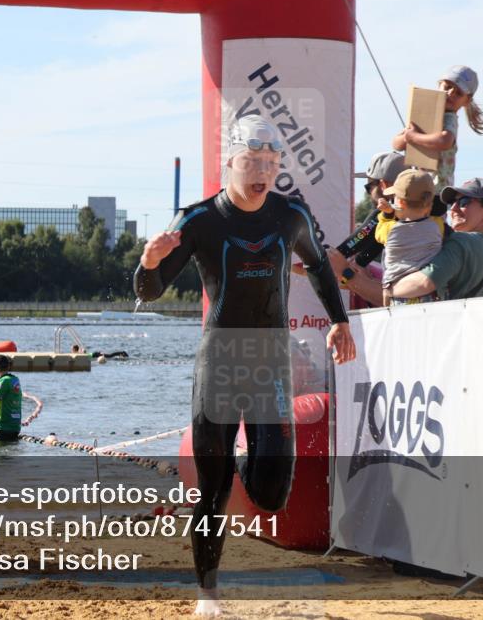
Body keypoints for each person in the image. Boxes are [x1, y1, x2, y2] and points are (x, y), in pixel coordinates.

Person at [133, 115, 355, 616]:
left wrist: (338, 322)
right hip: (220, 363)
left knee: (272, 494)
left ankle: (232, 463)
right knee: (212, 495)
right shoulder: (199, 220)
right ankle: (207, 594)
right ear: (230, 161)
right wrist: (147, 263)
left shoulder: (289, 214)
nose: (262, 171)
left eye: (271, 163)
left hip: (270, 362)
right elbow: (148, 292)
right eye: (252, 161)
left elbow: (318, 265)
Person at [342, 178, 483, 305]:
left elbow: (423, 283)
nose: (453, 208)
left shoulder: (463, 242)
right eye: (452, 202)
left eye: (464, 202)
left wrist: (349, 277)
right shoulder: (482, 245)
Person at [391, 65, 483, 191]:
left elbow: (444, 141)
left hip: (438, 189)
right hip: (418, 186)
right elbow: (396, 144)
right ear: (439, 86)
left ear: (467, 100)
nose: (451, 93)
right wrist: (406, 137)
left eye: (458, 93)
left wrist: (413, 137)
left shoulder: (449, 118)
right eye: (447, 87)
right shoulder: (424, 115)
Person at [375, 168, 444, 304]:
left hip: (398, 292)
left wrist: (387, 214)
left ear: (400, 203)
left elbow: (379, 234)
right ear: (429, 204)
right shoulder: (437, 226)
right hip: (428, 292)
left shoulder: (391, 229)